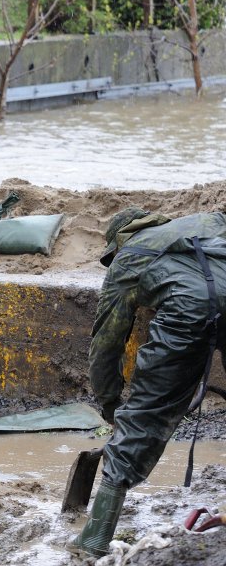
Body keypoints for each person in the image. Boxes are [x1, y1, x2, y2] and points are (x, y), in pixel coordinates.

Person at [71, 208, 226, 557]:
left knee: (144, 419)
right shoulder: (207, 221)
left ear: (117, 244)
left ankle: (93, 541)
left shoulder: (128, 258)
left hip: (188, 309)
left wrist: (111, 404)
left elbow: (106, 343)